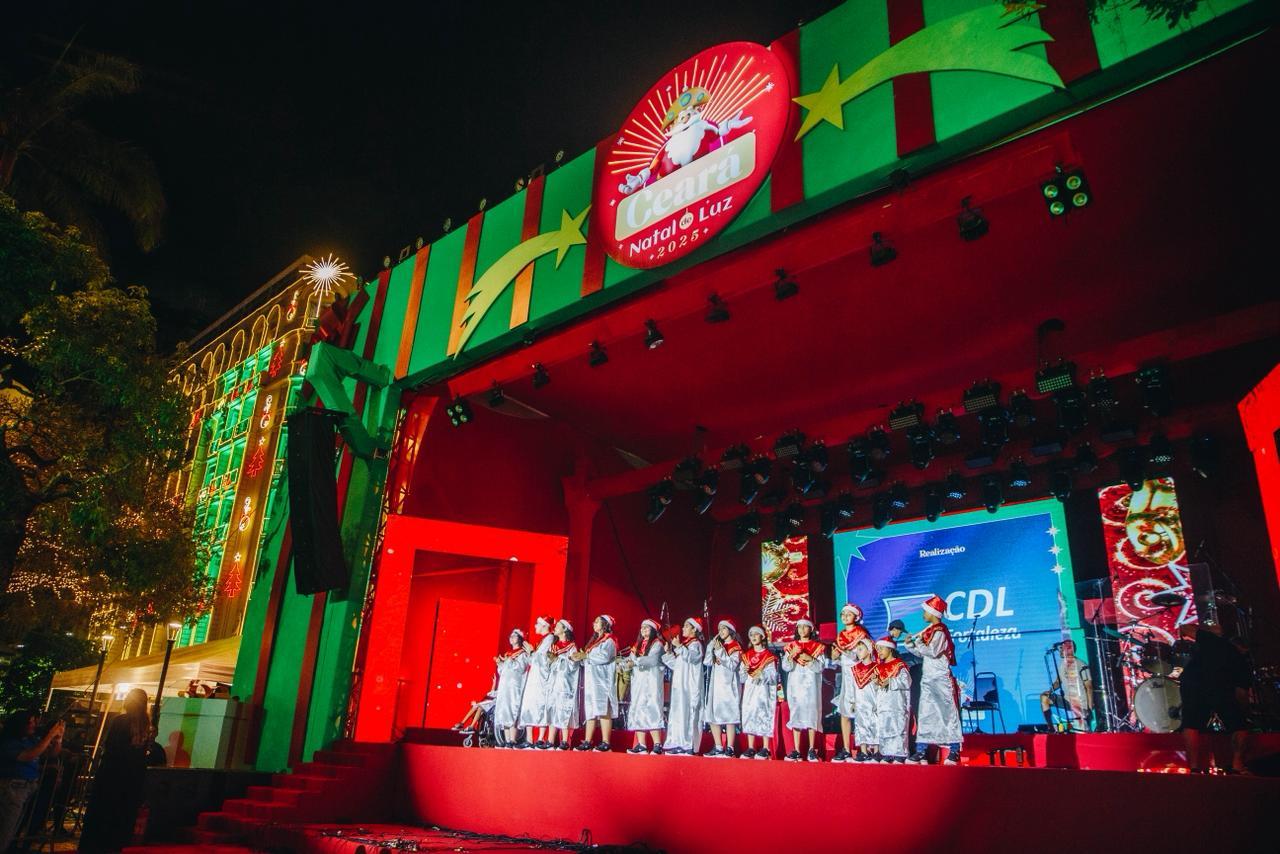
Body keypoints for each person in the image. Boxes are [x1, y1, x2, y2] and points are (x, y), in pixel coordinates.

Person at [80, 687, 152, 853]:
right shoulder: (145, 727)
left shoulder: (121, 721)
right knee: (121, 817)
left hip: (112, 775)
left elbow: (111, 747)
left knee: (104, 814)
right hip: (132, 779)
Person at [1178, 621, 1252, 774]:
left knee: (1191, 723)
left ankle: (1194, 767)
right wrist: (1244, 711)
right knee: (1239, 726)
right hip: (1221, 687)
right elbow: (1241, 694)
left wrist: (1204, 630)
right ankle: (1237, 765)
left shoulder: (1213, 640)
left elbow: (1184, 627)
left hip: (1194, 682)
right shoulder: (1243, 662)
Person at [903, 595, 963, 765]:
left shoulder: (940, 631)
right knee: (925, 714)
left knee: (947, 714)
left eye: (925, 611)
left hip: (941, 678)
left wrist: (920, 642)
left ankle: (954, 751)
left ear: (933, 612)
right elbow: (924, 654)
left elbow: (933, 651)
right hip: (928, 678)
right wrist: (910, 645)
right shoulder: (930, 630)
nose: (923, 613)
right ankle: (921, 751)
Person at [1, 711, 64, 850]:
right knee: (5, 828)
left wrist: (58, 739)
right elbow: (28, 755)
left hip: (28, 787)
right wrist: (49, 735)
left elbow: (50, 753)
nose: (34, 725)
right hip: (12, 788)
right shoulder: (9, 742)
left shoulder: (31, 740)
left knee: (13, 827)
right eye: (30, 722)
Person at [830, 603, 872, 762]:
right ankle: (847, 749)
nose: (845, 616)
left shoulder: (861, 634)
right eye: (843, 614)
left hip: (859, 676)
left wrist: (846, 653)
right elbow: (840, 660)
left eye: (849, 614)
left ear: (856, 617)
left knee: (862, 712)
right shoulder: (840, 635)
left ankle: (864, 749)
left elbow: (860, 656)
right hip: (847, 678)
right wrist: (835, 657)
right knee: (845, 712)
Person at [572, 615, 619, 752]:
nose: (594, 623)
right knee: (591, 710)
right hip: (592, 680)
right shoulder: (594, 641)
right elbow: (590, 658)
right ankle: (587, 741)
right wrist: (580, 658)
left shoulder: (610, 640)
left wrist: (587, 656)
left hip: (603, 680)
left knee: (604, 710)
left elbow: (605, 657)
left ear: (605, 624)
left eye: (597, 621)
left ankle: (606, 742)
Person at [781, 618, 826, 762]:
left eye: (805, 627)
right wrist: (792, 655)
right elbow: (786, 667)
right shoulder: (791, 646)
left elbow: (820, 667)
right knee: (796, 714)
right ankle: (796, 750)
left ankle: (812, 749)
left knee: (812, 714)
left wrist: (811, 659)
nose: (802, 630)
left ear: (811, 629)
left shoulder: (817, 647)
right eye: (799, 627)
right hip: (795, 686)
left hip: (811, 686)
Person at [662, 617, 706, 756]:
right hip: (679, 686)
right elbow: (677, 665)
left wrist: (679, 647)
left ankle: (688, 744)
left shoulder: (695, 644)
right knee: (678, 713)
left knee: (688, 713)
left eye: (687, 626)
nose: (683, 629)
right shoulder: (685, 645)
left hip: (689, 686)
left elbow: (692, 658)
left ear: (694, 629)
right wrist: (669, 653)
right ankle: (678, 742)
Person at [623, 619, 666, 754]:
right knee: (638, 709)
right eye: (642, 627)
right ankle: (641, 744)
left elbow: (652, 660)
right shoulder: (637, 645)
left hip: (651, 682)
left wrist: (634, 662)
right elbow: (630, 659)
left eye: (647, 628)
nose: (643, 630)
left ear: (653, 630)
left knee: (653, 709)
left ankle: (657, 744)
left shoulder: (657, 644)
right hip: (638, 683)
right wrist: (626, 663)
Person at [703, 620, 743, 758]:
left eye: (724, 629)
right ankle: (718, 746)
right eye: (719, 629)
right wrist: (710, 647)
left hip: (729, 685)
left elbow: (732, 665)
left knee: (729, 716)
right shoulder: (717, 646)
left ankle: (730, 747)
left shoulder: (735, 646)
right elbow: (707, 662)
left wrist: (720, 651)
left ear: (730, 630)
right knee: (712, 715)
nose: (720, 631)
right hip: (716, 686)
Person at [739, 626, 779, 760]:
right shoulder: (746, 656)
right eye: (751, 635)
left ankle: (765, 747)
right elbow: (742, 678)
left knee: (763, 714)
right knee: (750, 714)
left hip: (763, 691)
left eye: (757, 634)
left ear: (762, 637)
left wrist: (762, 675)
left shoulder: (768, 656)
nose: (754, 637)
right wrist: (744, 671)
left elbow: (773, 676)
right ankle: (751, 747)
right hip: (750, 690)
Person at [517, 615, 556, 749]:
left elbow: (543, 660)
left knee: (540, 704)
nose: (535, 626)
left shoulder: (550, 638)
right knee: (529, 704)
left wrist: (532, 652)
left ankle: (540, 738)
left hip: (542, 678)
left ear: (545, 625)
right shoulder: (541, 641)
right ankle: (529, 739)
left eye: (537, 624)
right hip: (534, 676)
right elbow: (534, 660)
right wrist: (530, 653)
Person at [1040, 639, 1092, 731]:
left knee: (1082, 730)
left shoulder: (1081, 664)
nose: (1060, 651)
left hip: (1080, 702)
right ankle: (1050, 727)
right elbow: (1058, 682)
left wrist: (1089, 707)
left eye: (1062, 649)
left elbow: (1089, 686)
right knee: (1044, 697)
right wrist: (1050, 690)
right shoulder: (1062, 664)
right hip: (1067, 700)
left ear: (1069, 649)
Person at [875, 637, 912, 764]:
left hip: (896, 704)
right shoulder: (879, 667)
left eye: (881, 648)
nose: (878, 651)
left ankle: (899, 754)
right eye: (877, 649)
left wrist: (890, 682)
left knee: (898, 727)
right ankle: (886, 753)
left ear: (890, 649)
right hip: (883, 704)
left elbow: (906, 681)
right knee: (884, 727)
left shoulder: (899, 665)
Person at [888, 618, 923, 754]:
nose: (897, 633)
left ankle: (914, 746)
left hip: (910, 680)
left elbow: (917, 658)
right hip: (895, 683)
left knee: (911, 712)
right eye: (897, 631)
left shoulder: (903, 642)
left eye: (899, 631)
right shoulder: (887, 642)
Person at [546, 620, 581, 750]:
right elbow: (548, 663)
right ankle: (550, 740)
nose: (555, 628)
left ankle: (565, 741)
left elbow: (573, 665)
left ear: (565, 629)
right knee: (553, 708)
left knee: (564, 709)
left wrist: (561, 659)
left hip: (565, 684)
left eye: (558, 626)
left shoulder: (571, 646)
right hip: (554, 682)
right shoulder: (554, 645)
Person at [493, 628, 530, 747]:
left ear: (519, 638)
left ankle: (513, 739)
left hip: (515, 686)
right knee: (504, 710)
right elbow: (502, 671)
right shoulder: (508, 653)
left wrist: (509, 661)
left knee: (512, 709)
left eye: (514, 636)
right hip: (505, 685)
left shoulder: (522, 653)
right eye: (510, 636)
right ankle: (507, 739)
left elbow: (520, 668)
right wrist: (500, 663)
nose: (511, 638)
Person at [848, 636, 880, 763]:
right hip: (860, 702)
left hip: (873, 702)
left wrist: (879, 701)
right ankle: (863, 751)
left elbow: (879, 687)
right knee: (860, 725)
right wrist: (853, 701)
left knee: (875, 724)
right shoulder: (855, 669)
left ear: (869, 650)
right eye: (857, 649)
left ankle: (877, 751)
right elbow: (852, 687)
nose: (857, 652)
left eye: (860, 649)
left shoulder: (876, 667)